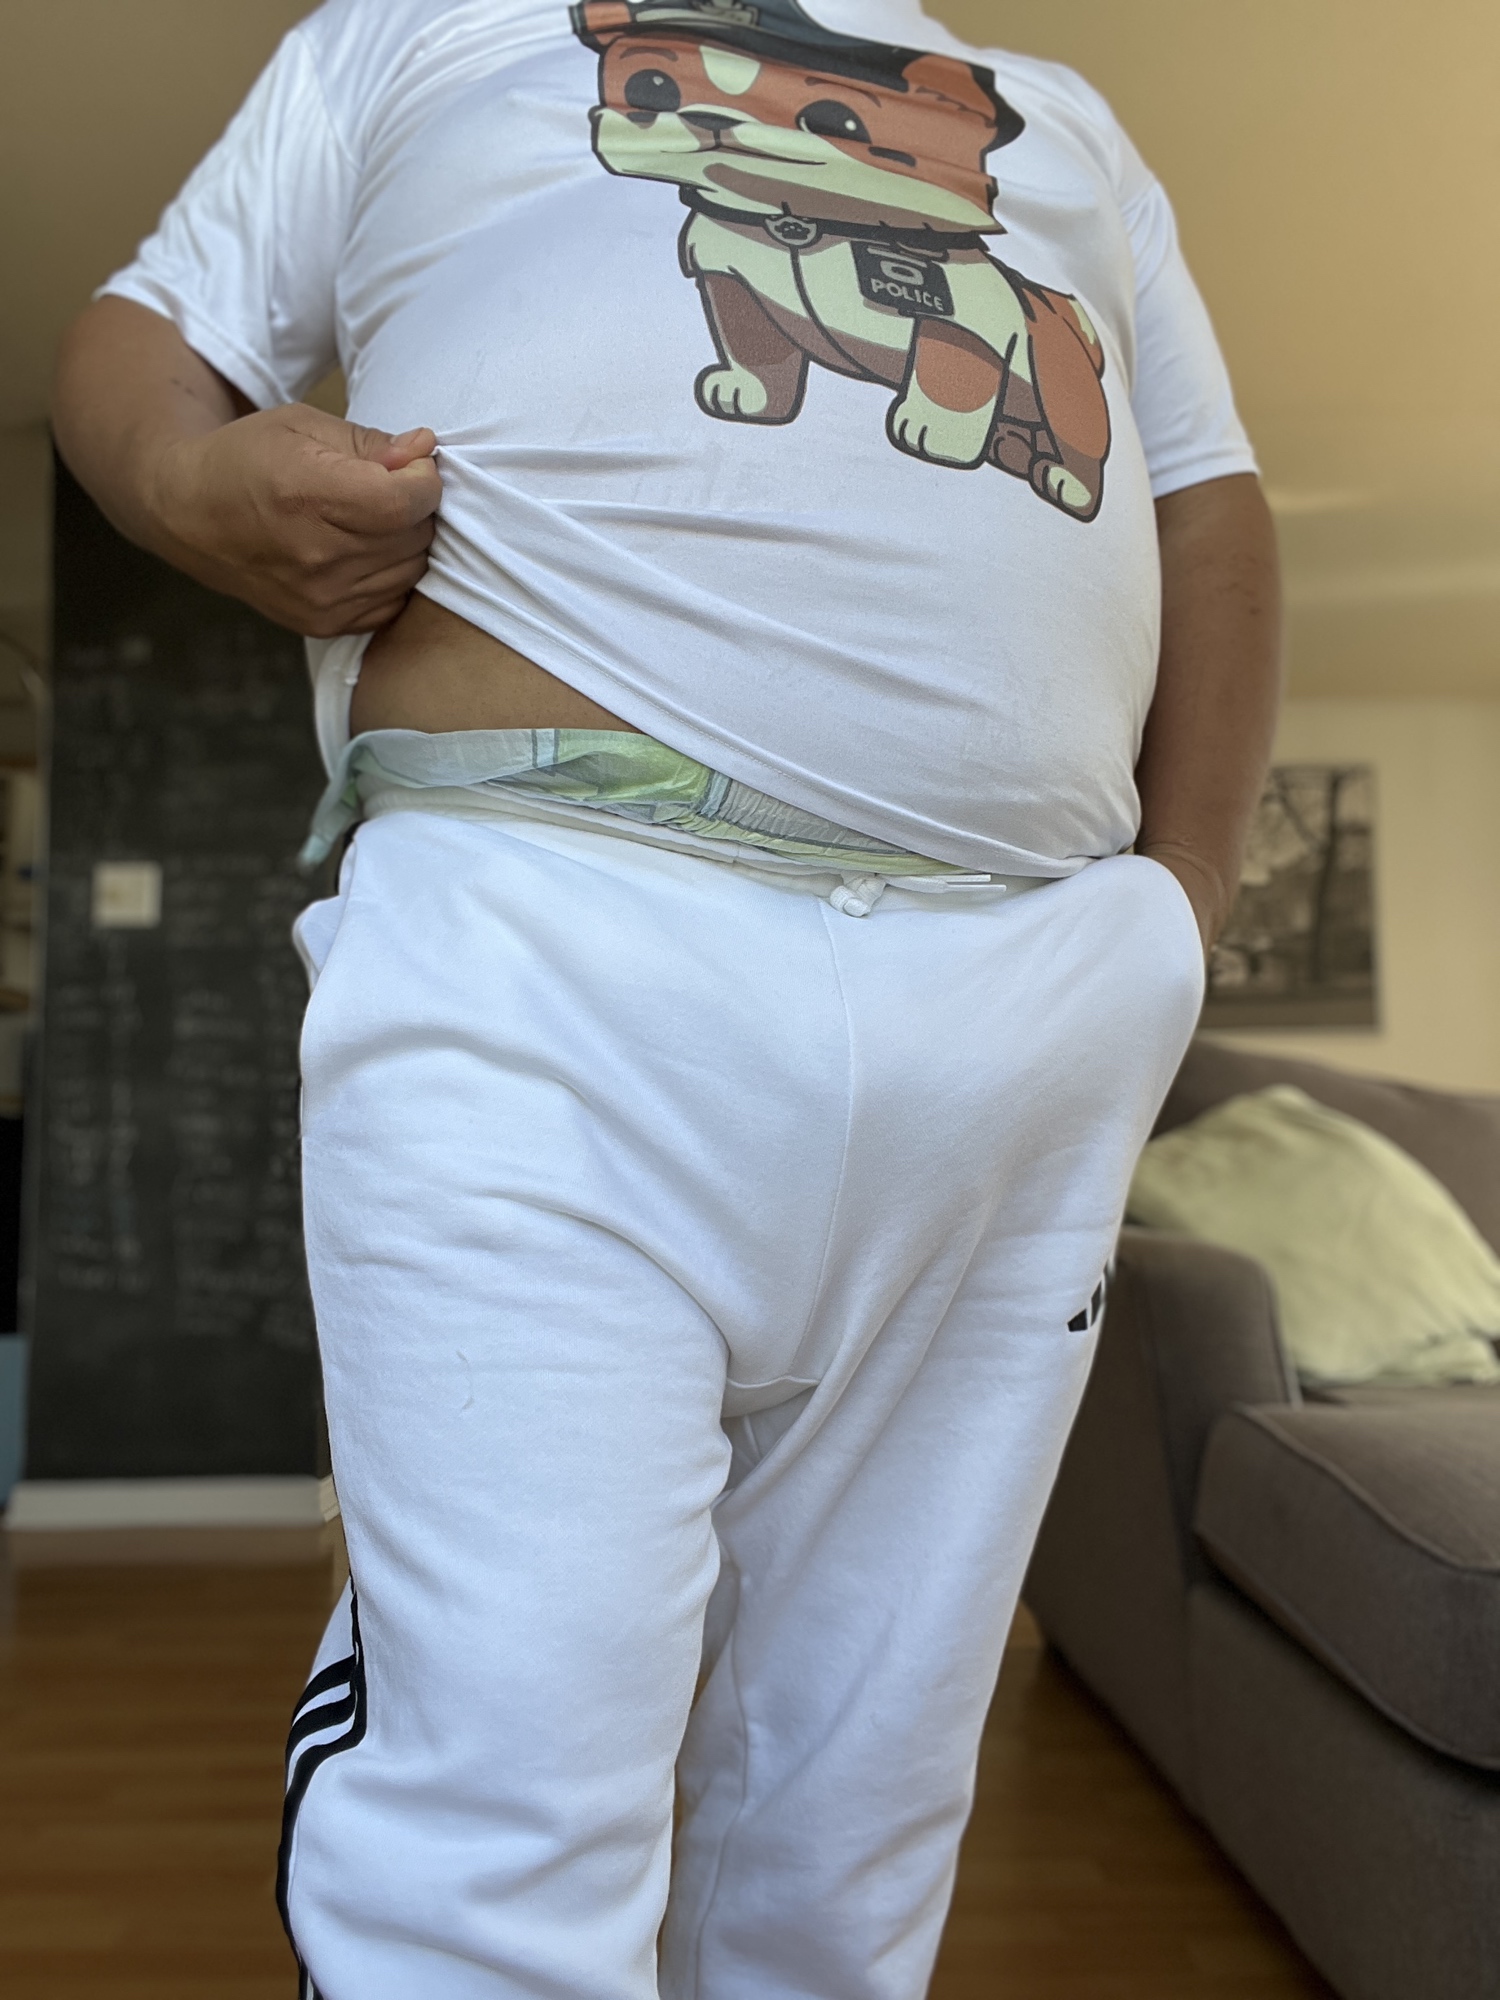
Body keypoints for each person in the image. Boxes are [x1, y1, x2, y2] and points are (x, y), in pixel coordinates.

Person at [53, 3, 1281, 1995]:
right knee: (497, 1799)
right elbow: (140, 335)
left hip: (1028, 1003)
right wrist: (190, 480)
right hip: (551, 953)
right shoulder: (411, 29)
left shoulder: (1067, 122)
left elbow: (1205, 495)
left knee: (858, 1830)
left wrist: (1183, 909)